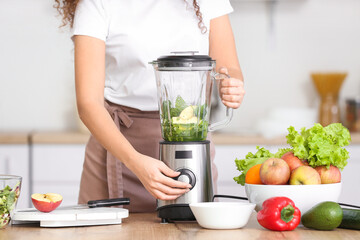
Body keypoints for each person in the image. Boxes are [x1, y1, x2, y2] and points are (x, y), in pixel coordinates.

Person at [55, 0, 245, 212]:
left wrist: (231, 84)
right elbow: (88, 103)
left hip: (189, 138)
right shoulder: (96, 4)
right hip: (117, 145)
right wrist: (134, 161)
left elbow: (229, 68)